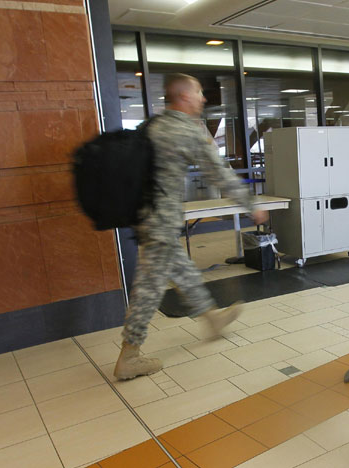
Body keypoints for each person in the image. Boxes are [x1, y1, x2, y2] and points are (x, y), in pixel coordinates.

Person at [114, 73, 268, 380]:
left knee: (182, 270)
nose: (204, 98)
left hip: (146, 217)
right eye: (199, 92)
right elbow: (220, 175)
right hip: (160, 222)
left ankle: (211, 318)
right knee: (149, 288)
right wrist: (252, 206)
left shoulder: (154, 125)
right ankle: (129, 356)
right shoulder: (187, 130)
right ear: (184, 97)